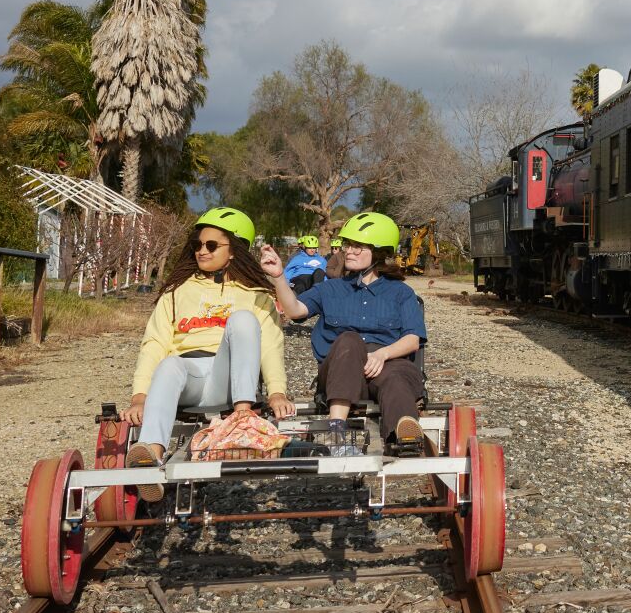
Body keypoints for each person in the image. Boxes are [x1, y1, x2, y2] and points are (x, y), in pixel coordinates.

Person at [125, 207, 293, 499]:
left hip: (228, 378)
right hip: (188, 379)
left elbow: (270, 345)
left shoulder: (257, 294)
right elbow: (153, 342)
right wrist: (140, 396)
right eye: (197, 245)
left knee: (242, 320)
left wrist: (277, 391)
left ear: (234, 251)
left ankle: (243, 421)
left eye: (211, 245)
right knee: (168, 364)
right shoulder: (176, 292)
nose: (202, 251)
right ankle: (151, 459)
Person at [260, 210, 426, 456]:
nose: (349, 251)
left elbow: (412, 339)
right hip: (340, 369)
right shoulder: (331, 289)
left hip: (388, 363)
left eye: (358, 247)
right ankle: (335, 433)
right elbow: (295, 310)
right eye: (349, 245)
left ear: (378, 253)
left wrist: (382, 355)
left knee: (396, 378)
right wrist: (278, 277)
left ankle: (405, 432)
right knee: (349, 339)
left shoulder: (401, 293)